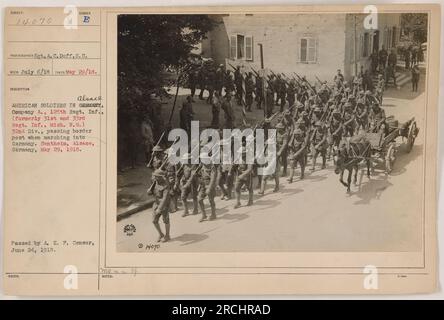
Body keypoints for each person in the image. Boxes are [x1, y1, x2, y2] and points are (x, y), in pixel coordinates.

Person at [149, 169, 171, 243]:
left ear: (161, 177)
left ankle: (167, 235)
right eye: (155, 176)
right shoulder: (155, 182)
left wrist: (160, 208)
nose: (155, 178)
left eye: (157, 176)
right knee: (154, 220)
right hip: (156, 203)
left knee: (166, 220)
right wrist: (149, 191)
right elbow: (152, 191)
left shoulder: (166, 185)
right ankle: (161, 234)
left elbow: (165, 198)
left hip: (164, 205)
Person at [196, 154, 217, 222]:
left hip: (209, 184)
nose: (201, 160)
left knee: (211, 200)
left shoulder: (212, 166)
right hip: (202, 184)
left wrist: (209, 188)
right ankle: (204, 215)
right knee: (199, 199)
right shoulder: (202, 165)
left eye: (202, 159)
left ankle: (213, 214)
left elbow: (213, 178)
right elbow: (199, 174)